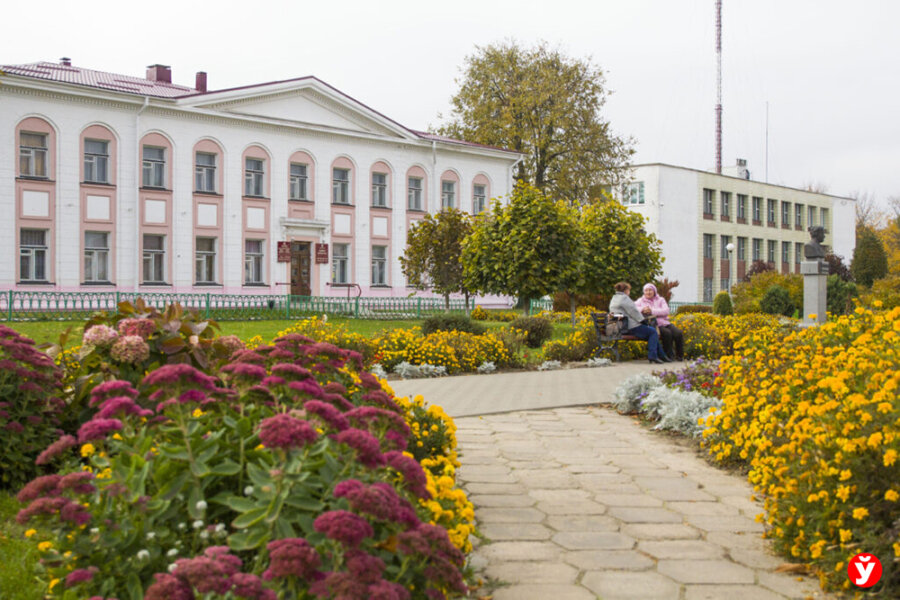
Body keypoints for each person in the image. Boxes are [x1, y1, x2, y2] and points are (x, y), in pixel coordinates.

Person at [608, 281, 667, 364]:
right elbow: (634, 311)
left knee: (650, 333)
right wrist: (643, 321)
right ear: (626, 290)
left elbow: (615, 313)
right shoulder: (624, 299)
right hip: (629, 327)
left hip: (620, 326)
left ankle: (662, 356)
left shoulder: (614, 298)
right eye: (629, 290)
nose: (629, 292)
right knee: (653, 332)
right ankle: (653, 357)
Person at [635, 283, 684, 361]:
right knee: (667, 333)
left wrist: (652, 311)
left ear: (654, 291)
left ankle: (680, 355)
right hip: (654, 324)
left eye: (650, 290)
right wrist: (642, 309)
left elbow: (666, 311)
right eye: (646, 290)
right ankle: (668, 355)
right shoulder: (640, 301)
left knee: (678, 333)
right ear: (644, 292)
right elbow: (634, 308)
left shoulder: (660, 299)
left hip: (665, 322)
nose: (648, 292)